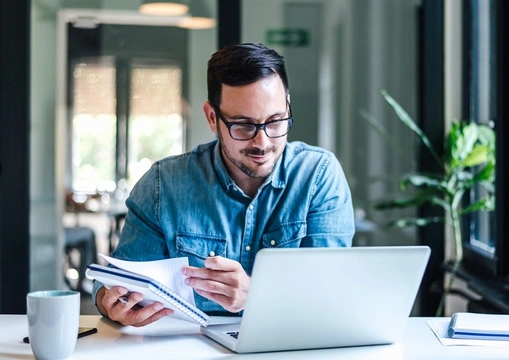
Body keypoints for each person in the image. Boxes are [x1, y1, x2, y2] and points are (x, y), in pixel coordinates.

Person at [92, 43, 355, 327]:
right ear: (212, 118)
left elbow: (331, 296)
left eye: (276, 121)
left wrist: (256, 294)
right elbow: (116, 286)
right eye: (243, 125)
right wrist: (110, 304)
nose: (263, 142)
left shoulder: (318, 176)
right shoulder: (163, 185)